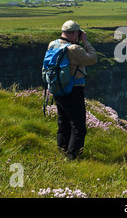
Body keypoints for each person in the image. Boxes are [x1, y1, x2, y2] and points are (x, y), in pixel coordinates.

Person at [48, 20, 98, 160]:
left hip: (57, 89)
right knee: (79, 126)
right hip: (73, 90)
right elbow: (92, 59)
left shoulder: (52, 44)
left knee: (63, 122)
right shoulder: (74, 49)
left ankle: (62, 152)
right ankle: (73, 157)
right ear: (75, 33)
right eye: (78, 33)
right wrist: (86, 42)